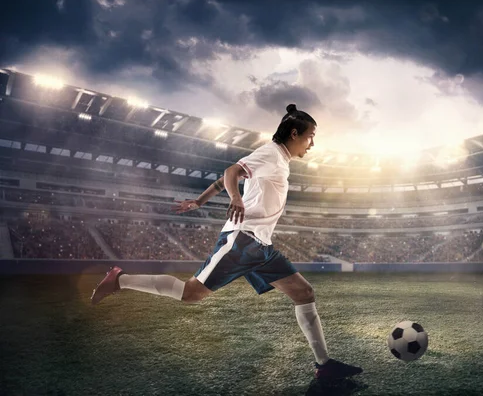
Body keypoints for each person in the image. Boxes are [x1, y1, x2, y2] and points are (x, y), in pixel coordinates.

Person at [91, 104, 363, 380]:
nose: (312, 143)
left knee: (304, 293)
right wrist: (236, 198)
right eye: (310, 136)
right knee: (191, 293)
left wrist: (200, 200)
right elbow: (232, 171)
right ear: (294, 134)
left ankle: (324, 366)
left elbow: (226, 179)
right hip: (242, 241)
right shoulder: (270, 154)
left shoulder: (278, 160)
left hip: (261, 248)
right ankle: (120, 279)